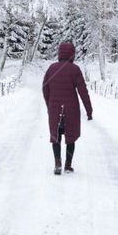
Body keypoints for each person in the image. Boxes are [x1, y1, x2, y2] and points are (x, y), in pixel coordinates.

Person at [42, 42, 93, 175]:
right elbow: (83, 91)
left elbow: (44, 88)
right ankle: (68, 166)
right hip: (71, 110)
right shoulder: (75, 69)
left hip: (55, 109)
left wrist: (49, 104)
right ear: (72, 54)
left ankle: (57, 163)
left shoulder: (51, 68)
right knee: (71, 137)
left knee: (56, 136)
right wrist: (89, 110)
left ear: (59, 53)